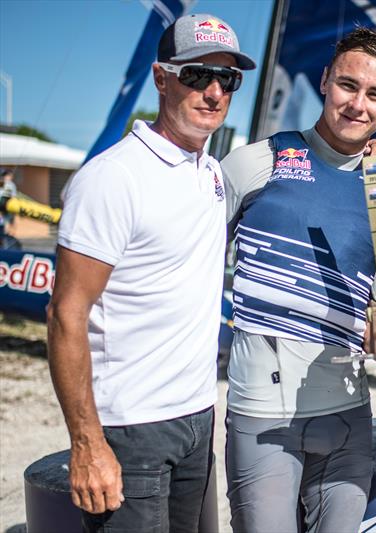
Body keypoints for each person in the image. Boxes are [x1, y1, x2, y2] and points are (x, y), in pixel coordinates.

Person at [47, 14, 255, 532]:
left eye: (227, 79)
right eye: (196, 74)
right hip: (129, 427)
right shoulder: (112, 178)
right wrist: (87, 443)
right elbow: (65, 315)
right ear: (162, 78)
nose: (213, 91)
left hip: (197, 416)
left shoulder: (209, 171)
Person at [220, 26, 376, 533]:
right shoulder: (257, 162)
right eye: (348, 85)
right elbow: (189, 259)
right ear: (325, 80)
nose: (357, 105)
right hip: (262, 416)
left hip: (348, 416)